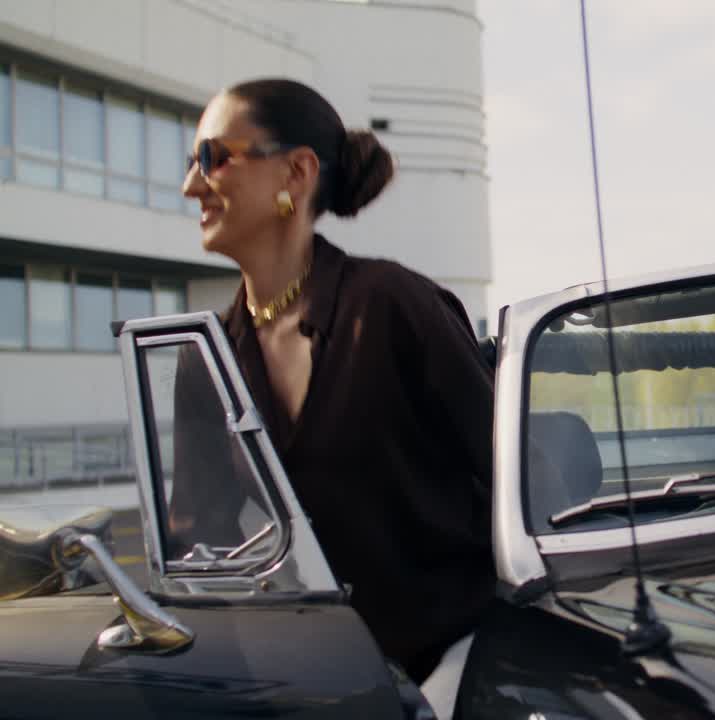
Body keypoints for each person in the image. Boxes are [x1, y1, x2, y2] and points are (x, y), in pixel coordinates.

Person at [176, 78, 495, 683]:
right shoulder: (205, 357)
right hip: (320, 680)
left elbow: (509, 471)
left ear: (296, 172)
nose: (192, 184)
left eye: (214, 158)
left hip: (461, 668)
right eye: (191, 162)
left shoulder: (393, 304)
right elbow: (200, 550)